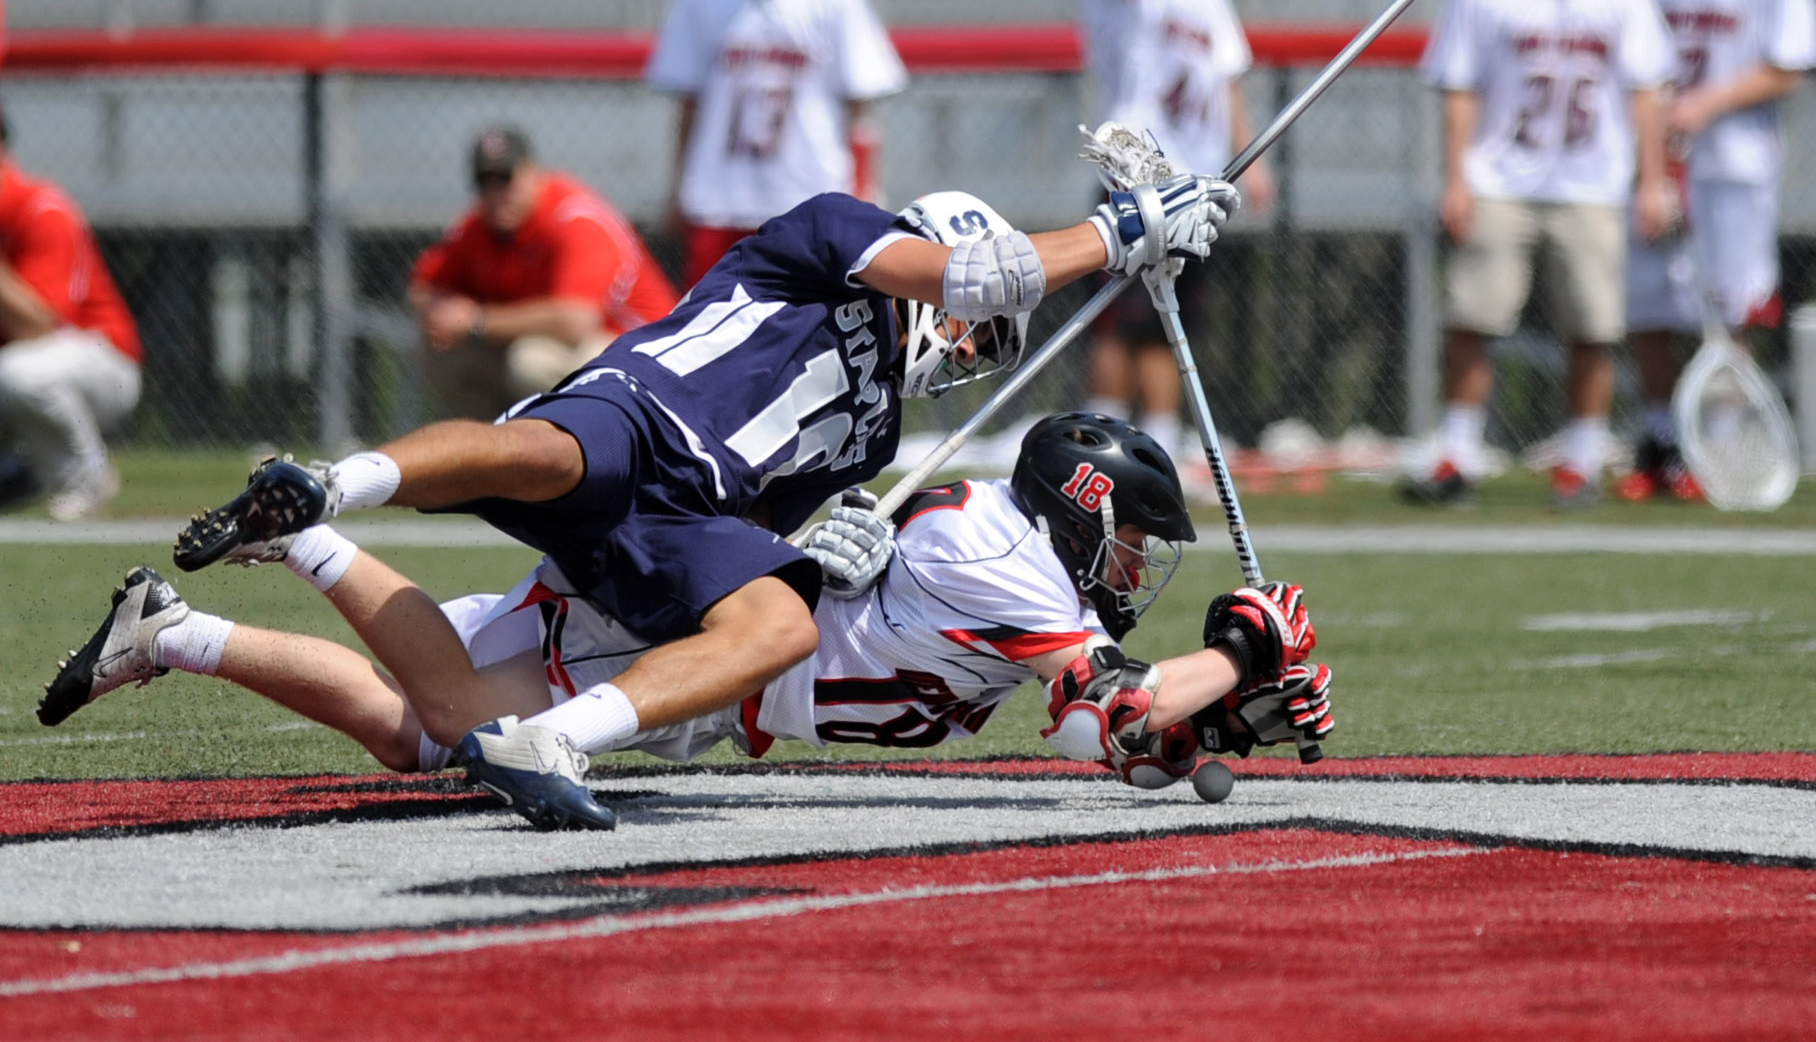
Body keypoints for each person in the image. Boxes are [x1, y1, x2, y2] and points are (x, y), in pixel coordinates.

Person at [171, 174, 1240, 826]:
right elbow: (977, 278)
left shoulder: (876, 432)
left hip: (679, 524)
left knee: (769, 626)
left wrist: (824, 559)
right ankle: (325, 487)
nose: (964, 355)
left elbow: (758, 533)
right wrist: (1120, 232)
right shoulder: (836, 235)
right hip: (646, 413)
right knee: (542, 453)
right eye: (973, 340)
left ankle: (551, 740)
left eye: (984, 351)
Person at [44, 414, 1334, 830]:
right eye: (1130, 542)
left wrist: (1225, 713)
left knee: (406, 728)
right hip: (683, 653)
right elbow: (1116, 709)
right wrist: (1237, 651)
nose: (1134, 570)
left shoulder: (1018, 560)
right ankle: (303, 531)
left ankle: (170, 629)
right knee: (444, 725)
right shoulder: (1009, 557)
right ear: (1081, 508)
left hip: (707, 671)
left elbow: (1108, 738)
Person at [1400, 0, 1675, 509]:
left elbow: (1647, 90)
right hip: (1501, 176)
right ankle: (1458, 451)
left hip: (1591, 181)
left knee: (1593, 326)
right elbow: (1460, 86)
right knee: (1475, 317)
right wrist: (1456, 178)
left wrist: (1653, 180)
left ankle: (1582, 458)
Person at [1619, 0, 1816, 502]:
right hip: (1659, 164)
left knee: (1732, 307)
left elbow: (1792, 62)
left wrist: (1706, 104)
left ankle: (1717, 440)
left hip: (1735, 163)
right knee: (1650, 301)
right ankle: (1659, 437)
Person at [1073, 0, 1274, 464]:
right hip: (1137, 173)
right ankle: (1098, 445)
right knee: (1120, 318)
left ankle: (1158, 443)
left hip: (1194, 175)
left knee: (1170, 318)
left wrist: (1249, 154)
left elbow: (1225, 72)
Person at [645, 0, 907, 286]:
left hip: (807, 191)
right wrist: (677, 189)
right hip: (721, 194)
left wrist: (864, 191)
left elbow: (861, 104)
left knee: (811, 316)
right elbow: (688, 104)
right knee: (707, 314)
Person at [408, 125, 680, 420]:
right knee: (446, 352)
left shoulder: (575, 218)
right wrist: (447, 315)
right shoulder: (479, 225)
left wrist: (475, 320)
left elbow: (573, 322)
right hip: (583, 352)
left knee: (531, 360)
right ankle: (496, 445)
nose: (497, 194)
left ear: (532, 173)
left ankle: (601, 446)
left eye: (506, 179)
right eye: (486, 183)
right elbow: (422, 289)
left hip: (653, 363)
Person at [0, 110, 142, 520]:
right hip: (26, 368)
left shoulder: (40, 209)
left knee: (19, 372)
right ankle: (27, 470)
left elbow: (38, 325)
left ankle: (86, 476)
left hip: (101, 363)